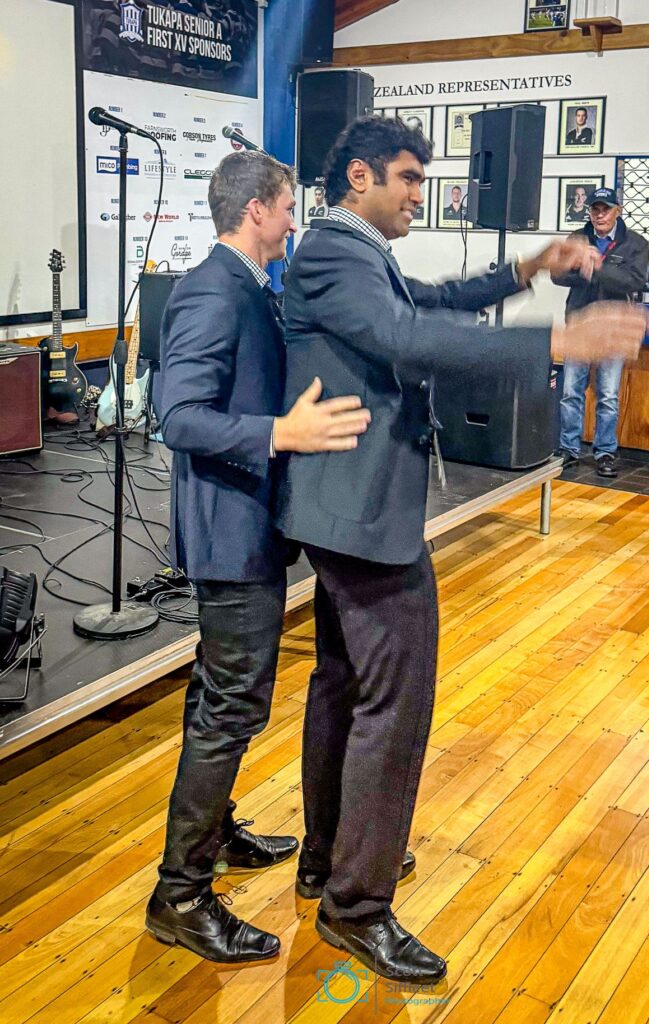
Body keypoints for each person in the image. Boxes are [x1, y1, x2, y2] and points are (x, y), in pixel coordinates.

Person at [277, 116, 649, 984]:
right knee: (394, 703)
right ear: (361, 176)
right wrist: (554, 341)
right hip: (359, 510)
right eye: (408, 178)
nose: (420, 194)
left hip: (347, 508)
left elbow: (426, 304)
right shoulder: (333, 251)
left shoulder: (352, 250)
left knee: (343, 686)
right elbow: (407, 338)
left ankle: (330, 858)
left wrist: (525, 269)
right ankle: (357, 905)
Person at [145, 150, 370, 964]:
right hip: (229, 537)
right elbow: (178, 416)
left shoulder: (246, 284)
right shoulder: (214, 289)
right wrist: (282, 432)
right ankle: (180, 895)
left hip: (246, 529)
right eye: (285, 208)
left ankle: (217, 831)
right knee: (233, 707)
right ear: (256, 212)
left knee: (218, 697)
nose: (292, 221)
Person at [553, 186, 649, 478]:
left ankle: (605, 452)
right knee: (571, 392)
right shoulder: (577, 238)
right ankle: (568, 449)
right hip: (579, 324)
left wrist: (596, 268)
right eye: (595, 209)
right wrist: (579, 266)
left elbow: (634, 282)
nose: (599, 215)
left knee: (607, 395)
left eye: (605, 209)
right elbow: (558, 275)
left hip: (613, 329)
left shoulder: (635, 244)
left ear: (617, 211)